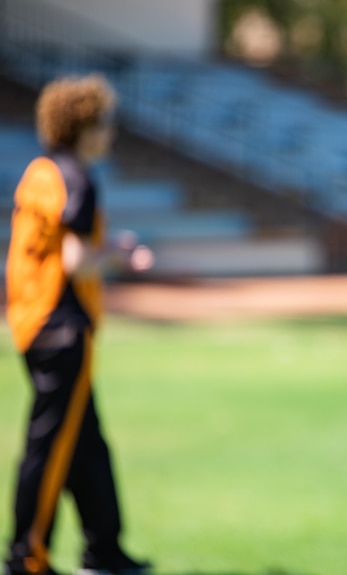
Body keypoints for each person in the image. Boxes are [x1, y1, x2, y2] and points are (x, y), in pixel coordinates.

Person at [4, 75, 153, 575]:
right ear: (84, 126)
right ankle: (26, 557)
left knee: (86, 444)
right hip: (61, 327)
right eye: (103, 121)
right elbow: (75, 261)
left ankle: (104, 552)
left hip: (36, 322)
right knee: (50, 448)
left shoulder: (44, 170)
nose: (109, 131)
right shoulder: (79, 178)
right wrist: (119, 253)